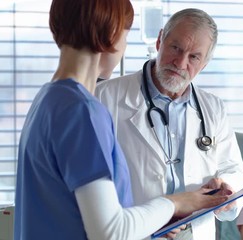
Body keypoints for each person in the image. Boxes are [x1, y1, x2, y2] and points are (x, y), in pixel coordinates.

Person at [13, 1, 228, 239]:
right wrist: (175, 203)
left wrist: (150, 218)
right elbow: (111, 231)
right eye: (125, 36)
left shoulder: (47, 98)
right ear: (112, 35)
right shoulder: (82, 111)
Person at [95, 8, 243, 240]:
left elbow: (235, 169)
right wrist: (152, 216)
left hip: (196, 231)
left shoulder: (213, 108)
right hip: (135, 231)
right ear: (160, 41)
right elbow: (94, 182)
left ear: (205, 63)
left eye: (194, 57)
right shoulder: (105, 97)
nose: (180, 62)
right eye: (175, 48)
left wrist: (226, 188)